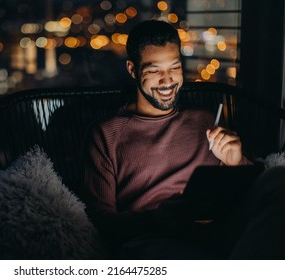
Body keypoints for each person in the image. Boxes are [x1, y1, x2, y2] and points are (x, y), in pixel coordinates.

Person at [82, 20, 285, 259]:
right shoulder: (106, 136)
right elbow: (101, 222)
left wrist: (235, 161)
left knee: (277, 179)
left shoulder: (205, 120)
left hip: (216, 231)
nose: (167, 81)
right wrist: (155, 219)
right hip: (155, 241)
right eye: (154, 70)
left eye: (174, 68)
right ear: (132, 69)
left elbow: (249, 193)